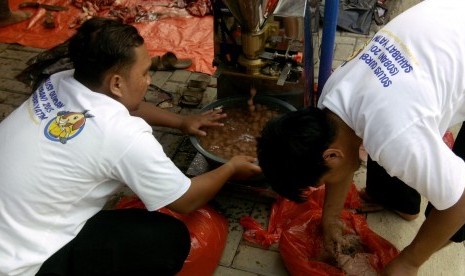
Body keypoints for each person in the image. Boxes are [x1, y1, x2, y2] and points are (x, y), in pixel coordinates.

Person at [0, 17, 261, 276]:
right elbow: (186, 200)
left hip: (12, 222)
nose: (149, 81)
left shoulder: (60, 82)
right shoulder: (123, 135)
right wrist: (231, 167)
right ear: (116, 83)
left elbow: (124, 106)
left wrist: (182, 122)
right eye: (145, 72)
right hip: (17, 265)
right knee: (167, 239)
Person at [257, 0, 465, 275]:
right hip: (446, 23)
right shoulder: (333, 99)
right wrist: (329, 217)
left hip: (450, 36)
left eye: (324, 180)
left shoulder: (397, 136)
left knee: (455, 211)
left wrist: (409, 262)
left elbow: (460, 199)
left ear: (331, 155)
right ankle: (400, 202)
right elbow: (343, 158)